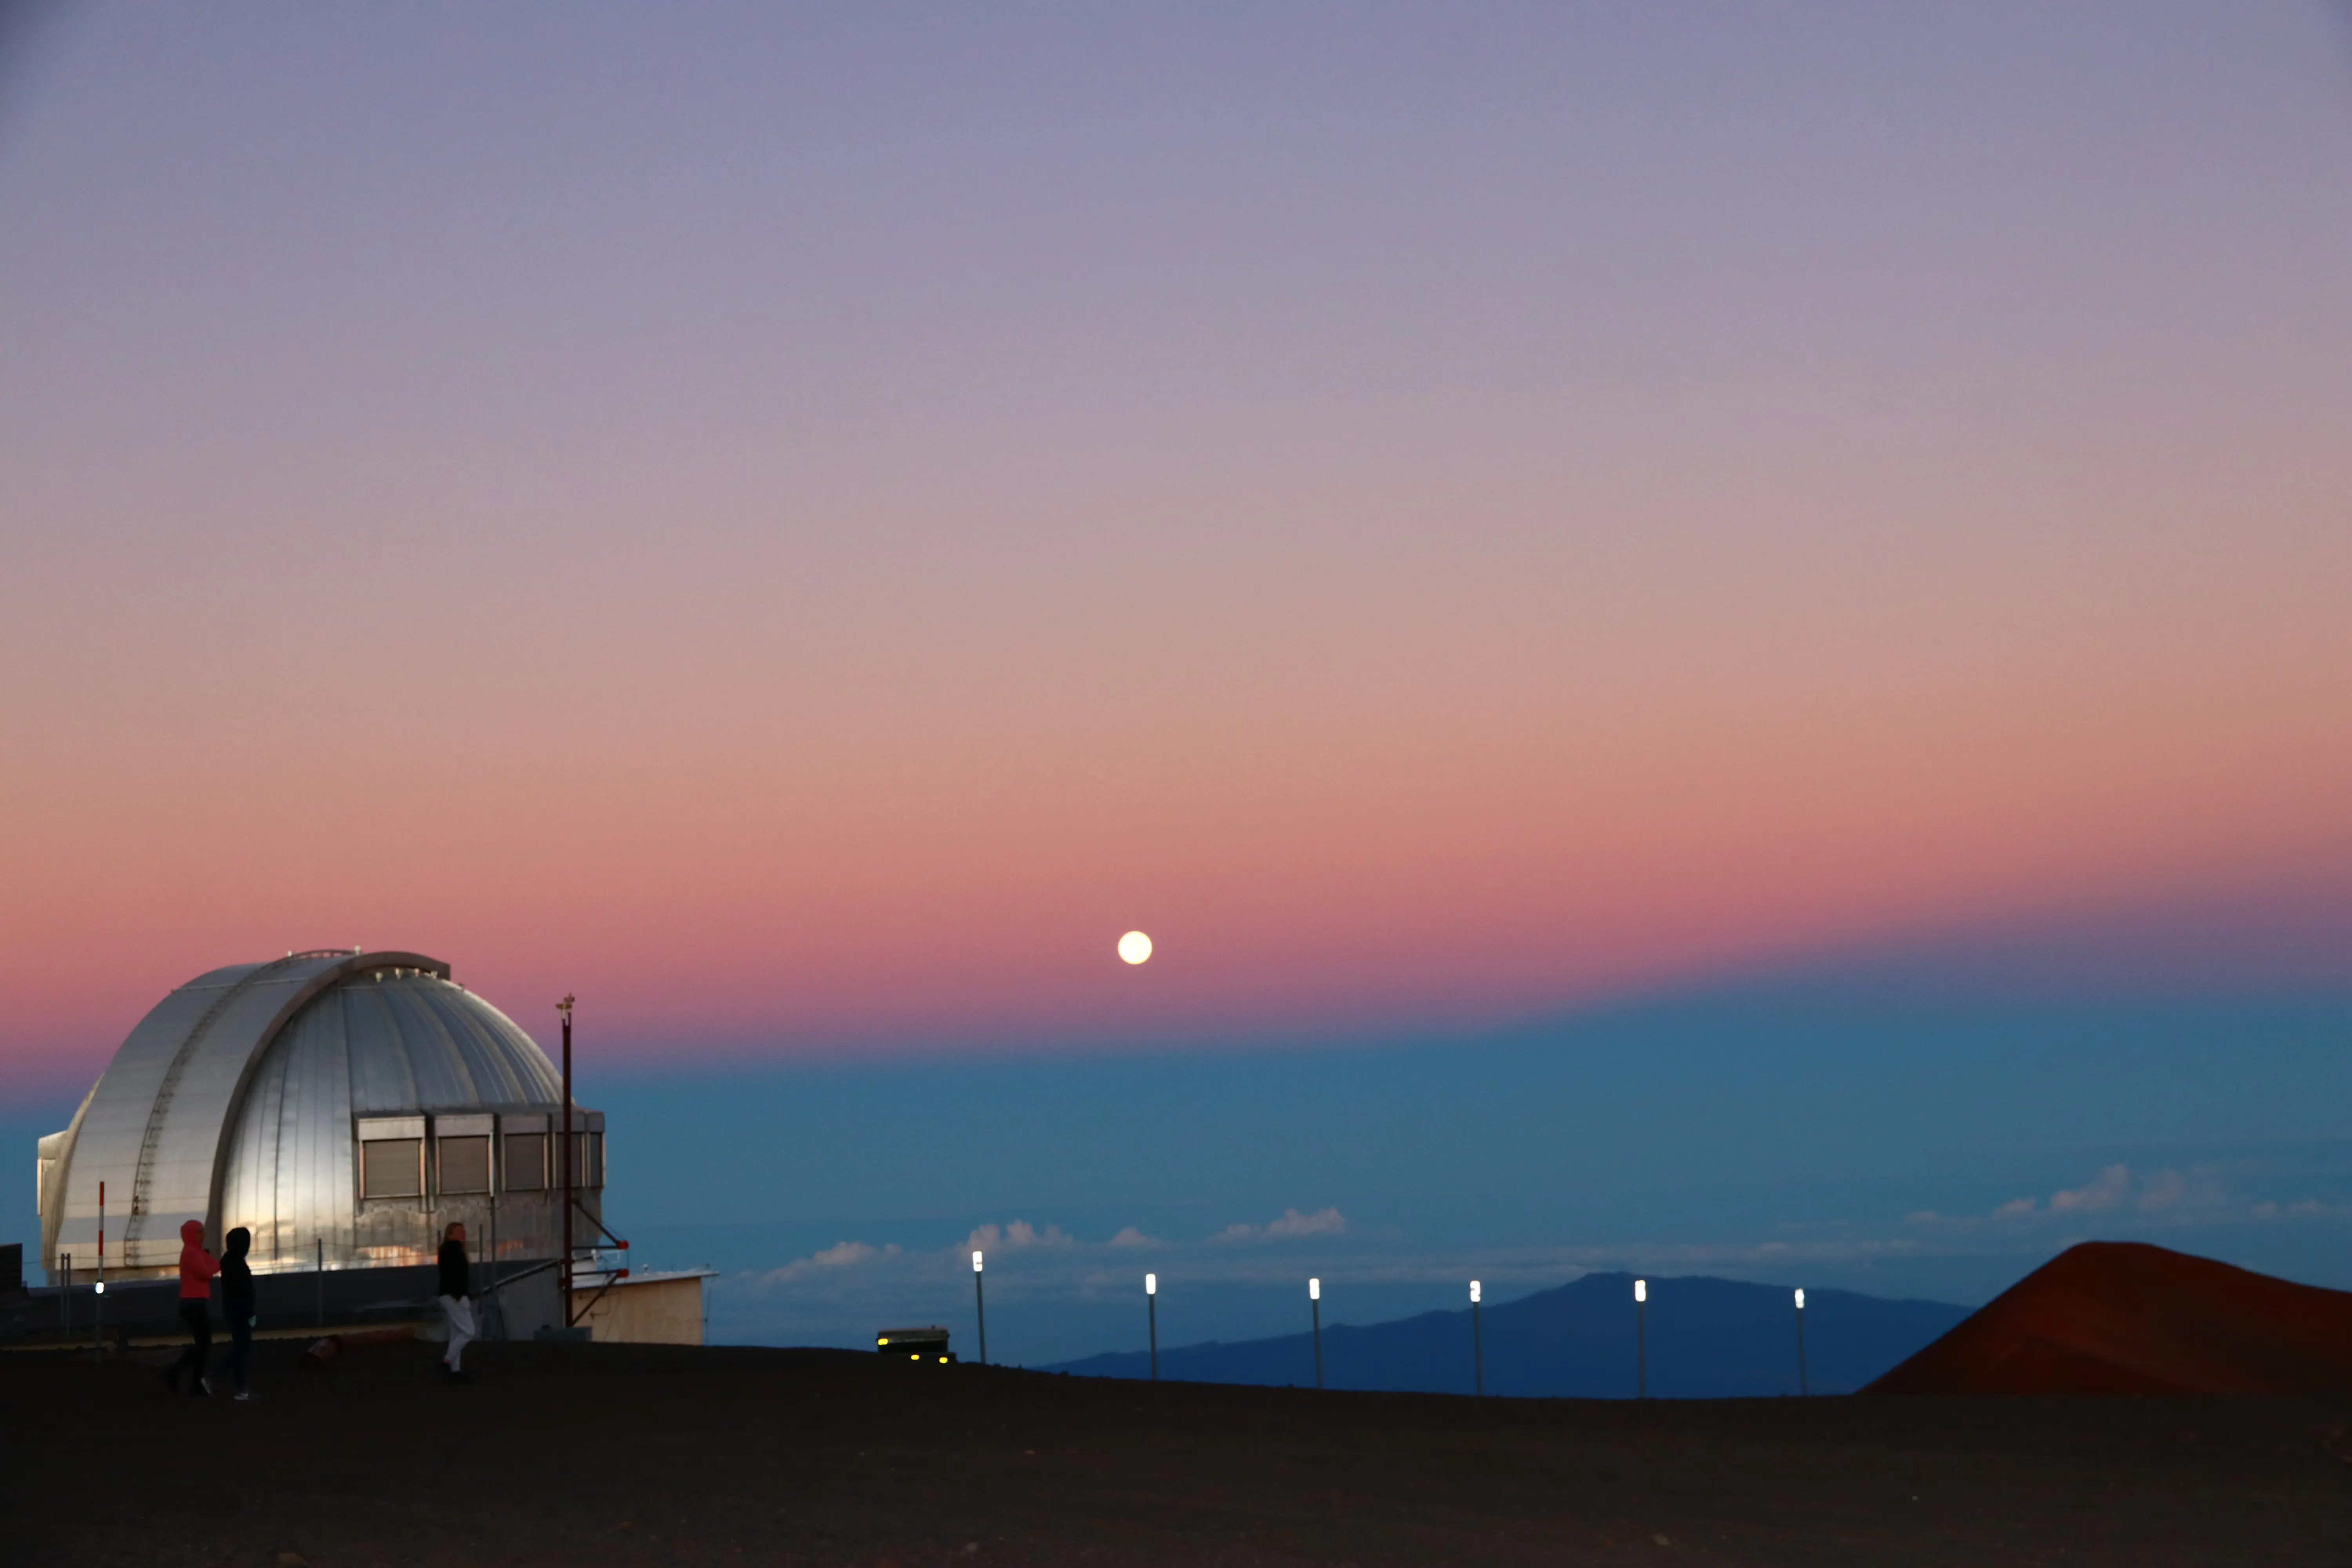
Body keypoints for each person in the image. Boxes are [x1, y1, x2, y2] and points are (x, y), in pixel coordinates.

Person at [164, 1219, 217, 1396]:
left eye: (202, 1232)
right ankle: (184, 1378)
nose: (202, 1235)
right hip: (194, 1303)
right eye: (199, 1232)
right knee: (204, 1344)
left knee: (202, 1345)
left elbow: (212, 1266)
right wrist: (211, 1267)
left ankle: (185, 1378)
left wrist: (211, 1267)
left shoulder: (193, 1252)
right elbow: (208, 1271)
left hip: (193, 1303)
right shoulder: (192, 1254)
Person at [216, 1227, 258, 1401]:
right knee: (241, 1350)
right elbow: (244, 1291)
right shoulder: (238, 1264)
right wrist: (250, 1313)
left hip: (234, 1311)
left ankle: (241, 1389)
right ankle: (214, 1378)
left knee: (240, 1349)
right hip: (241, 1312)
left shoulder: (229, 1261)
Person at [437, 1221, 475, 1382]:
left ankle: (455, 1371)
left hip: (451, 1296)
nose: (463, 1234)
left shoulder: (448, 1249)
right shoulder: (454, 1250)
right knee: (469, 1331)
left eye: (464, 1231)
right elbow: (455, 1275)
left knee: (457, 1333)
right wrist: (460, 1296)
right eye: (460, 1231)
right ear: (450, 1234)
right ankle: (447, 1361)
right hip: (455, 1297)